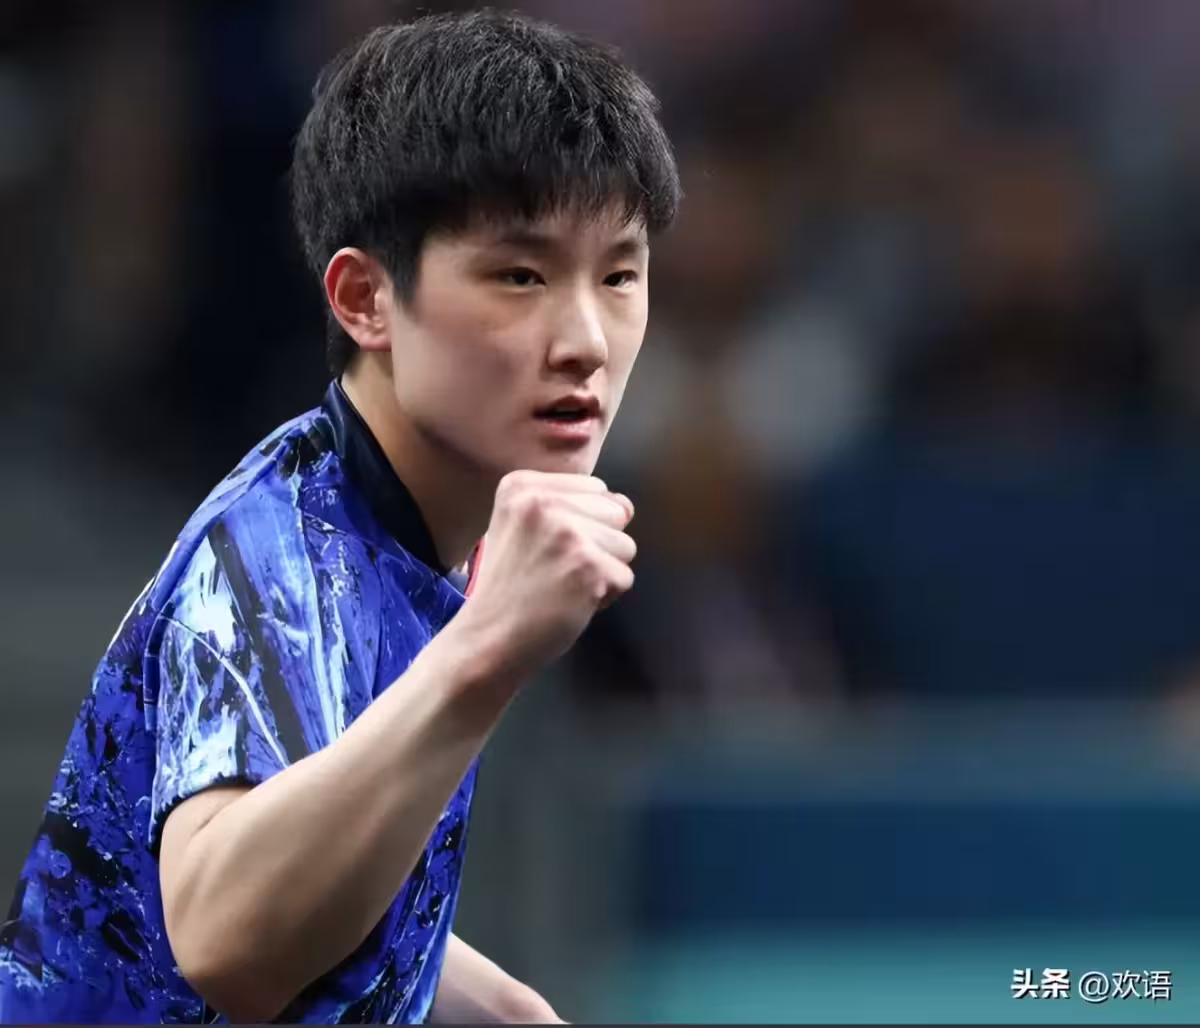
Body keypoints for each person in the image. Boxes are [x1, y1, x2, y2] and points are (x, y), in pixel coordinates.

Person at [0, 9, 680, 1023]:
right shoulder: (276, 552)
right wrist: (487, 650)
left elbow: (334, 862)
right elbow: (225, 937)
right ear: (365, 298)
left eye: (619, 274)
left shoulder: (422, 534)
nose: (585, 338)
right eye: (520, 275)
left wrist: (505, 1009)